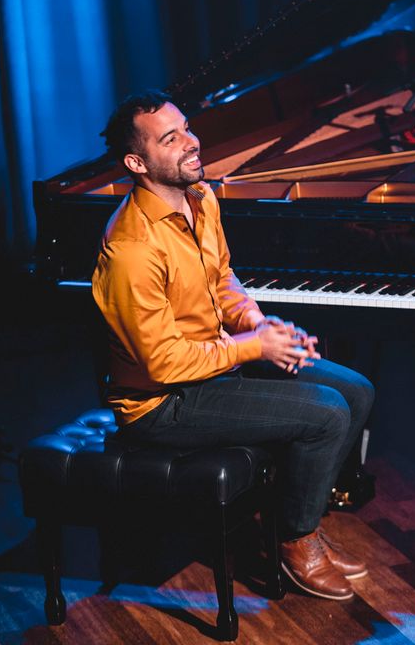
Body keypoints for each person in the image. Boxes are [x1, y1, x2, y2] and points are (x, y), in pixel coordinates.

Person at [91, 90, 376, 601]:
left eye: (187, 128)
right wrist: (253, 347)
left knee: (356, 391)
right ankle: (295, 539)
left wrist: (258, 324)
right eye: (170, 138)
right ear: (137, 163)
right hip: (162, 403)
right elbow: (163, 364)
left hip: (212, 363)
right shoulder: (132, 250)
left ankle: (300, 517)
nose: (191, 142)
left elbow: (222, 279)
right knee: (328, 413)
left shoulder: (202, 198)